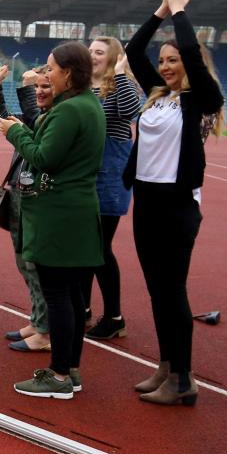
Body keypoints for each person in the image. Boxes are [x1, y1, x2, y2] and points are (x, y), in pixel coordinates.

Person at [123, 0, 225, 407]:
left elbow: (190, 54)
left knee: (172, 290)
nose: (165, 65)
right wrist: (160, 13)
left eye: (173, 59)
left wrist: (180, 14)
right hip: (145, 198)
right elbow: (131, 51)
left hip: (176, 203)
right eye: (162, 60)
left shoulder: (201, 97)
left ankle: (184, 380)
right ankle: (166, 366)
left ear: (189, 60)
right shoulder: (157, 95)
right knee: (155, 289)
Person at [0, 42, 105, 399]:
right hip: (76, 212)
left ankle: (58, 376)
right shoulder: (88, 105)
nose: (46, 74)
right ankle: (69, 369)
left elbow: (43, 158)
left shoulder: (70, 110)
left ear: (68, 73)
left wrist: (15, 131)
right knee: (73, 296)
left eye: (50, 69)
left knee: (59, 295)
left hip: (58, 214)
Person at [0, 65, 52, 353]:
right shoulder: (42, 113)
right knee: (24, 261)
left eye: (45, 87)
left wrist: (24, 88)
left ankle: (45, 330)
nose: (39, 92)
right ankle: (37, 320)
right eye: (37, 88)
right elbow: (5, 120)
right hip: (19, 190)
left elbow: (34, 124)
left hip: (37, 197)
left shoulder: (55, 117)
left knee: (36, 265)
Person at [82, 36, 142, 340]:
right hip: (83, 174)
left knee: (99, 249)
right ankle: (83, 309)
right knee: (82, 246)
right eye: (90, 50)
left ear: (113, 57)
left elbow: (132, 111)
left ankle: (115, 316)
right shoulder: (81, 86)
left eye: (100, 52)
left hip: (109, 176)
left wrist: (120, 72)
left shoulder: (118, 87)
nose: (92, 55)